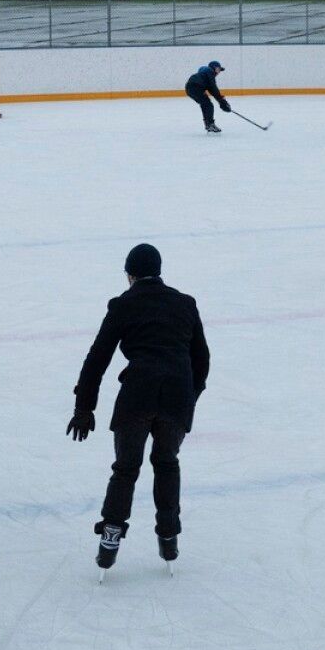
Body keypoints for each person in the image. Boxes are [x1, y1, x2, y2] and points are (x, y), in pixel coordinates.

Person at [67, 243, 210, 573]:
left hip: (137, 396)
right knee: (166, 463)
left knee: (126, 468)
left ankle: (111, 535)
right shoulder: (185, 304)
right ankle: (169, 536)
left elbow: (97, 360)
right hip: (176, 397)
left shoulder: (124, 305)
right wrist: (190, 394)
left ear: (130, 275)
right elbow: (201, 360)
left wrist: (84, 407)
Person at [184, 60, 231, 133]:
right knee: (208, 105)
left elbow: (212, 90)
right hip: (196, 87)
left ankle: (208, 124)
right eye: (218, 69)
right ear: (214, 68)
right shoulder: (209, 72)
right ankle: (210, 124)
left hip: (190, 88)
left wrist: (221, 101)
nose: (219, 72)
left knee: (205, 104)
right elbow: (213, 88)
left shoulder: (205, 75)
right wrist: (222, 101)